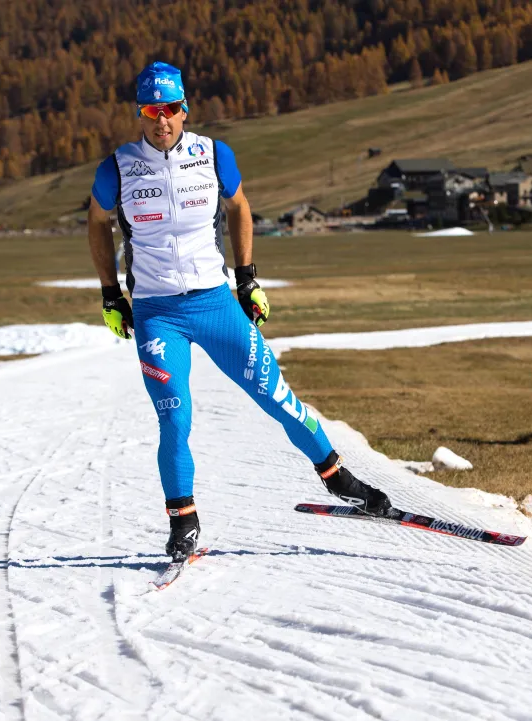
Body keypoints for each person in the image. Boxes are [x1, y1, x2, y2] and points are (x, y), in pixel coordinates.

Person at [87, 61, 396, 561]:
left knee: (276, 396)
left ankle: (339, 478)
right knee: (174, 416)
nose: (161, 120)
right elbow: (97, 223)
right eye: (150, 110)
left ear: (184, 110)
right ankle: (182, 520)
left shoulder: (213, 154)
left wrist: (248, 279)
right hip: (155, 312)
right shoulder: (117, 167)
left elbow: (239, 207)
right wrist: (109, 294)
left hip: (214, 301)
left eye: (169, 109)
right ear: (139, 115)